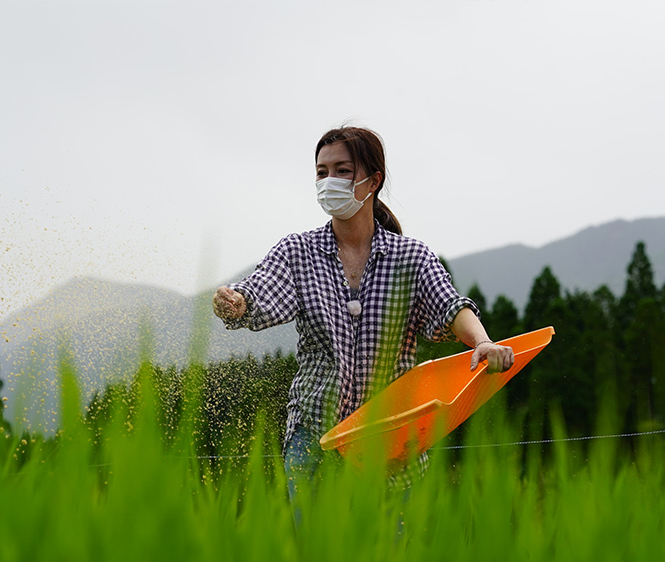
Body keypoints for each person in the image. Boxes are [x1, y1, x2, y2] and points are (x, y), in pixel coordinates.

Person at [212, 126, 514, 500]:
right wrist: (238, 302)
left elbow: (449, 306)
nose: (329, 181)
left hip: (393, 440)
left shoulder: (411, 257)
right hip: (315, 439)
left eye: (342, 170)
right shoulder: (298, 252)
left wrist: (482, 342)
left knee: (392, 554)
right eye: (322, 172)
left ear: (373, 180)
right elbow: (260, 292)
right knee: (318, 557)